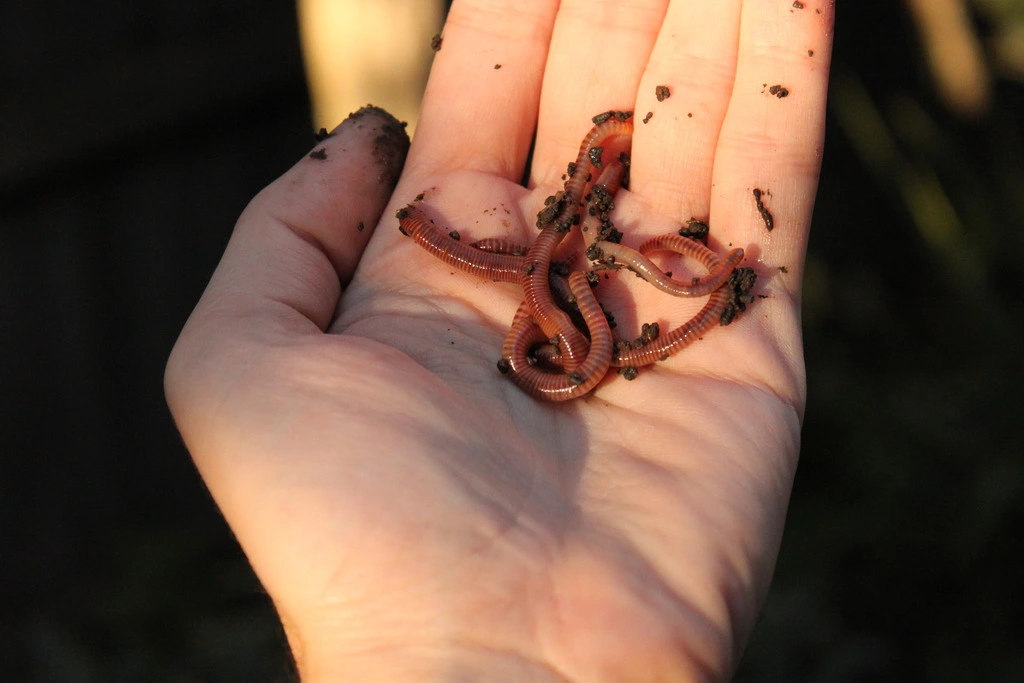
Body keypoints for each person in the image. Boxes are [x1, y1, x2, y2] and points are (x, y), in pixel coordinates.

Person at [165, 1, 834, 679]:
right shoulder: (548, 310)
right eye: (427, 233)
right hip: (568, 344)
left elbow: (552, 270)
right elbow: (548, 276)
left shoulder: (553, 288)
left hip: (568, 336)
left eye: (429, 233)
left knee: (556, 281)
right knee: (554, 285)